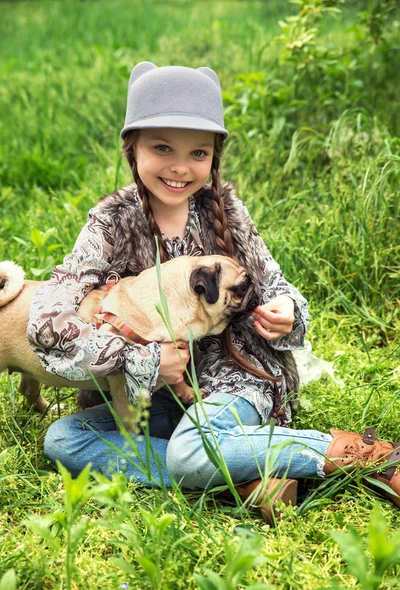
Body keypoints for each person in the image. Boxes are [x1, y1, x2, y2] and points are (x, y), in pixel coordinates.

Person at [27, 62, 400, 523]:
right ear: (132, 148)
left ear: (214, 156)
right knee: (63, 441)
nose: (181, 167)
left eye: (199, 153)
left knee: (185, 454)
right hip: (157, 395)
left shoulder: (225, 210)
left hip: (237, 378)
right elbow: (46, 319)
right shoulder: (110, 222)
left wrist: (286, 311)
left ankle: (366, 456)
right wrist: (138, 359)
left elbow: (276, 284)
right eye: (162, 147)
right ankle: (242, 475)